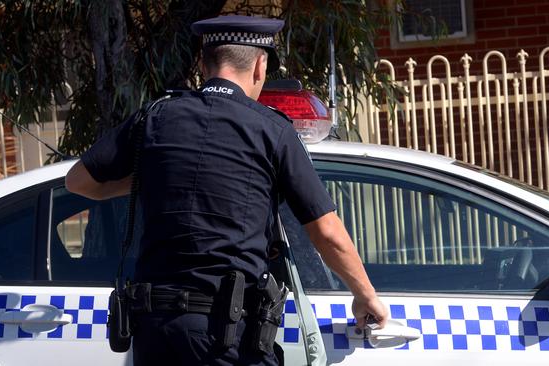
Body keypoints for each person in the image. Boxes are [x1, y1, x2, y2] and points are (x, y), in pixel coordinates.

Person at [65, 14, 388, 366]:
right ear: (260, 67)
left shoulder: (155, 117)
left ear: (203, 64)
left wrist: (156, 176)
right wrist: (365, 295)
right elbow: (327, 232)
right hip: (225, 334)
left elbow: (78, 181)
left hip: (155, 333)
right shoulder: (272, 132)